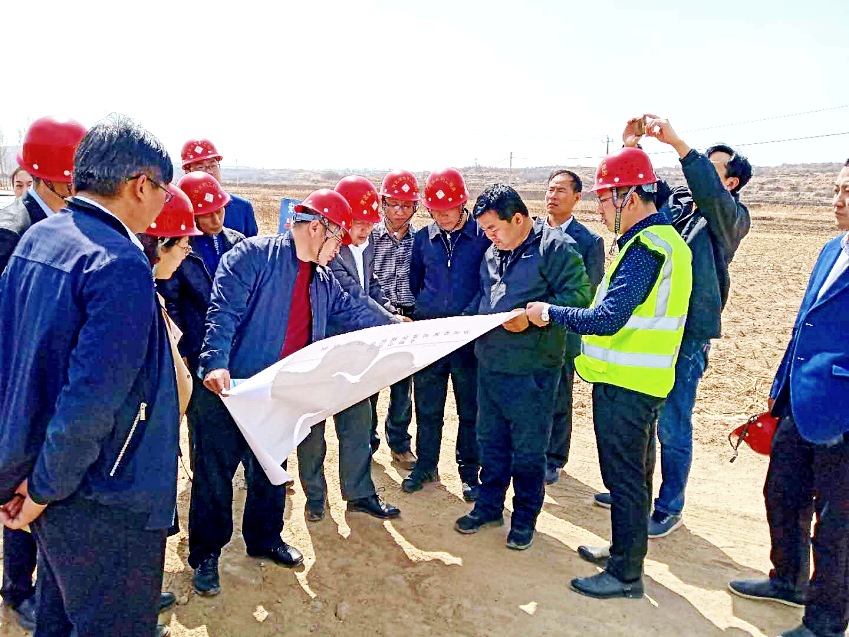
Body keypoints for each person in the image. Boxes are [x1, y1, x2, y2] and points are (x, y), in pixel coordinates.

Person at [0, 114, 179, 636]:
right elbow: (90, 403)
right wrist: (43, 490)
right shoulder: (119, 262)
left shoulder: (42, 237)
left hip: (49, 478)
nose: (163, 204)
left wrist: (26, 477)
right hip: (103, 496)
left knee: (58, 616)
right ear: (141, 185)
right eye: (164, 191)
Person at [193, 189, 395, 596]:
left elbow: (356, 310)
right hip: (230, 393)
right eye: (337, 240)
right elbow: (222, 313)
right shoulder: (252, 257)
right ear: (318, 228)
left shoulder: (322, 281)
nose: (339, 249)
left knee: (270, 471)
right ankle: (207, 555)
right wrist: (215, 362)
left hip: (278, 395)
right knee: (214, 476)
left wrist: (398, 327)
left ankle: (265, 539)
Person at [527, 147, 692, 599]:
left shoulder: (647, 248)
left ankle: (625, 575)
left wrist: (549, 312)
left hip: (627, 385)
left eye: (603, 199)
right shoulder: (659, 239)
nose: (598, 209)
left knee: (625, 478)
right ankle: (624, 550)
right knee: (633, 476)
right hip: (636, 381)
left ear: (629, 197)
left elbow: (607, 318)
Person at [593, 116, 752, 539]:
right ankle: (636, 492)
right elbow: (638, 199)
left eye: (711, 168)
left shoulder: (730, 219)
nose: (695, 170)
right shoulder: (678, 206)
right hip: (652, 330)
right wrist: (632, 146)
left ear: (730, 183)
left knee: (672, 423)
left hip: (687, 337)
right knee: (641, 415)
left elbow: (708, 194)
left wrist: (679, 145)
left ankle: (669, 505)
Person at [727, 160, 849, 637]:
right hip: (800, 398)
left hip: (844, 410)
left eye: (848, 191)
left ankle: (825, 622)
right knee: (782, 493)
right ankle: (788, 580)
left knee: (837, 524)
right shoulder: (833, 248)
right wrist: (780, 388)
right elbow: (806, 325)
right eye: (837, 189)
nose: (838, 200)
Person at [453, 184, 590, 551]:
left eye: (493, 228)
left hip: (533, 372)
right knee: (490, 442)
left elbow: (579, 299)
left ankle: (525, 518)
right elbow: (485, 300)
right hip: (491, 366)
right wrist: (455, 326)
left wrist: (531, 318)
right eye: (485, 230)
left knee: (528, 452)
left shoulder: (556, 248)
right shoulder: (492, 252)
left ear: (517, 219)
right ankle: (488, 507)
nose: (489, 236)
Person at [0, 115, 86, 632]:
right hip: (19, 385)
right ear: (58, 181)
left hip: (44, 380)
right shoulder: (13, 230)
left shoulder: (51, 224)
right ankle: (17, 588)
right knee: (19, 482)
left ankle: (55, 587)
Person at [297, 176, 402, 523]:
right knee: (312, 429)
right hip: (320, 349)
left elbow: (371, 286)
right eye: (358, 223)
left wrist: (389, 310)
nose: (364, 231)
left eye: (370, 224)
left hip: (356, 353)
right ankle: (315, 497)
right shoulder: (327, 250)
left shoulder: (365, 246)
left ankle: (359, 494)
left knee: (358, 424)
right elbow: (352, 296)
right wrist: (390, 322)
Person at [403, 168, 490, 501]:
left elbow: (487, 284)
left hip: (468, 339)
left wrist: (466, 320)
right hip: (431, 339)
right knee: (428, 408)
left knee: (470, 410)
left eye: (448, 210)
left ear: (463, 204)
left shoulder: (481, 236)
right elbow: (416, 282)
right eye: (435, 211)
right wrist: (430, 313)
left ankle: (469, 472)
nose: (441, 217)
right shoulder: (423, 239)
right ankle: (426, 465)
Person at [159, 171, 246, 469]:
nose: (216, 218)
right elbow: (172, 302)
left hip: (236, 345)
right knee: (203, 420)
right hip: (198, 347)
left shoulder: (238, 242)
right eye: (207, 214)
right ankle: (203, 473)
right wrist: (182, 350)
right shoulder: (182, 249)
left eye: (220, 209)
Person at [542, 169, 605, 485]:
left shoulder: (589, 242)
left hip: (563, 332)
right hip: (527, 331)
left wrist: (549, 309)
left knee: (559, 396)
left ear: (577, 198)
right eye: (550, 189)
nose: (553, 196)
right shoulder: (530, 232)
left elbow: (587, 291)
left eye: (561, 191)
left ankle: (553, 458)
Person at [370, 169, 420, 468]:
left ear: (415, 207)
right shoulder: (368, 237)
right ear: (382, 203)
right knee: (370, 385)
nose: (400, 211)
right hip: (377, 315)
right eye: (394, 204)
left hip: (410, 317)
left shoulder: (422, 240)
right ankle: (367, 442)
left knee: (403, 387)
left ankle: (399, 443)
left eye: (406, 205)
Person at [0, 116, 87, 273]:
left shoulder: (71, 221)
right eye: (72, 182)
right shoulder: (9, 233)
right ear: (48, 179)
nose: (82, 188)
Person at [180, 137, 258, 237]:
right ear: (187, 171)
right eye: (201, 167)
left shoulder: (242, 207)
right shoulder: (181, 209)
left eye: (213, 165)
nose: (209, 171)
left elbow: (251, 244)